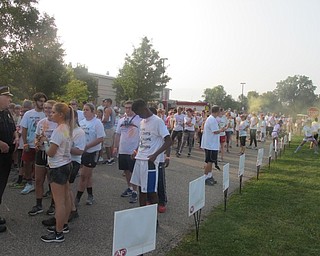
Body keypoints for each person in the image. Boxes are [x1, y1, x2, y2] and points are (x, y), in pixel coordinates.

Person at [40, 103, 73, 243]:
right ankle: (63, 225)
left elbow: (51, 152)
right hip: (66, 164)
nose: (50, 114)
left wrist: (45, 143)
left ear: (61, 114)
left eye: (53, 112)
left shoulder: (59, 130)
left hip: (57, 166)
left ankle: (58, 233)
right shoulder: (66, 128)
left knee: (59, 202)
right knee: (65, 198)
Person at [130, 99, 172, 208]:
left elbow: (168, 140)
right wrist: (136, 151)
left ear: (144, 109)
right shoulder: (142, 122)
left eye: (139, 113)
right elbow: (143, 140)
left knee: (151, 191)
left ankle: (154, 220)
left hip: (150, 162)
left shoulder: (157, 121)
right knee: (141, 190)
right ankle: (143, 216)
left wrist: (155, 155)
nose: (139, 116)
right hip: (140, 159)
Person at [28, 100, 57, 216]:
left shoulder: (59, 123)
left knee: (52, 182)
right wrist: (36, 143)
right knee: (39, 180)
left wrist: (47, 141)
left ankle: (53, 205)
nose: (48, 111)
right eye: (45, 108)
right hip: (41, 154)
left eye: (50, 108)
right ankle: (38, 204)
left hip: (53, 155)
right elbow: (36, 137)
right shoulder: (41, 122)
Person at [76, 103, 105, 206]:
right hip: (82, 152)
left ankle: (77, 198)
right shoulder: (81, 122)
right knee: (88, 175)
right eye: (83, 109)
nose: (84, 112)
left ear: (93, 111)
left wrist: (87, 146)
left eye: (87, 110)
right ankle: (90, 195)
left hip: (92, 152)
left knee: (84, 175)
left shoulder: (97, 123)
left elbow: (100, 138)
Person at [113, 101, 141, 203]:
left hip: (132, 150)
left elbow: (142, 137)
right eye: (126, 108)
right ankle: (129, 187)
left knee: (134, 171)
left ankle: (135, 191)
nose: (128, 110)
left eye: (130, 108)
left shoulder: (139, 120)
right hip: (122, 149)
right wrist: (115, 147)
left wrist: (138, 149)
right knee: (126, 170)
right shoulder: (121, 120)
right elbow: (117, 134)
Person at [0, 86, 19, 233]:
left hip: (6, 157)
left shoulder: (6, 112)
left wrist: (16, 136)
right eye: (7, 96)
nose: (10, 99)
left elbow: (13, 128)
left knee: (1, 185)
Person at [20, 92, 47, 195]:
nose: (42, 103)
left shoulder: (46, 113)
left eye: (44, 101)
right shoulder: (28, 114)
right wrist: (25, 143)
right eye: (40, 101)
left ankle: (42, 185)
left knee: (42, 165)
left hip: (41, 145)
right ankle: (29, 183)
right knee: (27, 163)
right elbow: (24, 129)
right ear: (35, 102)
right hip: (30, 143)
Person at [201, 105, 221, 186]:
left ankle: (209, 175)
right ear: (217, 111)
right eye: (219, 111)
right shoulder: (212, 119)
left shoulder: (212, 119)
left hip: (211, 144)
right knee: (209, 161)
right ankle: (205, 177)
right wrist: (222, 130)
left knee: (211, 161)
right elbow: (215, 131)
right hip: (210, 144)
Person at [101, 98, 116, 165]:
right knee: (110, 144)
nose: (104, 103)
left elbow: (106, 119)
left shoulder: (108, 109)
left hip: (108, 128)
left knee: (107, 145)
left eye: (106, 102)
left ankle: (109, 159)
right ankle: (110, 158)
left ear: (109, 103)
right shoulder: (112, 110)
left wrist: (101, 122)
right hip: (111, 127)